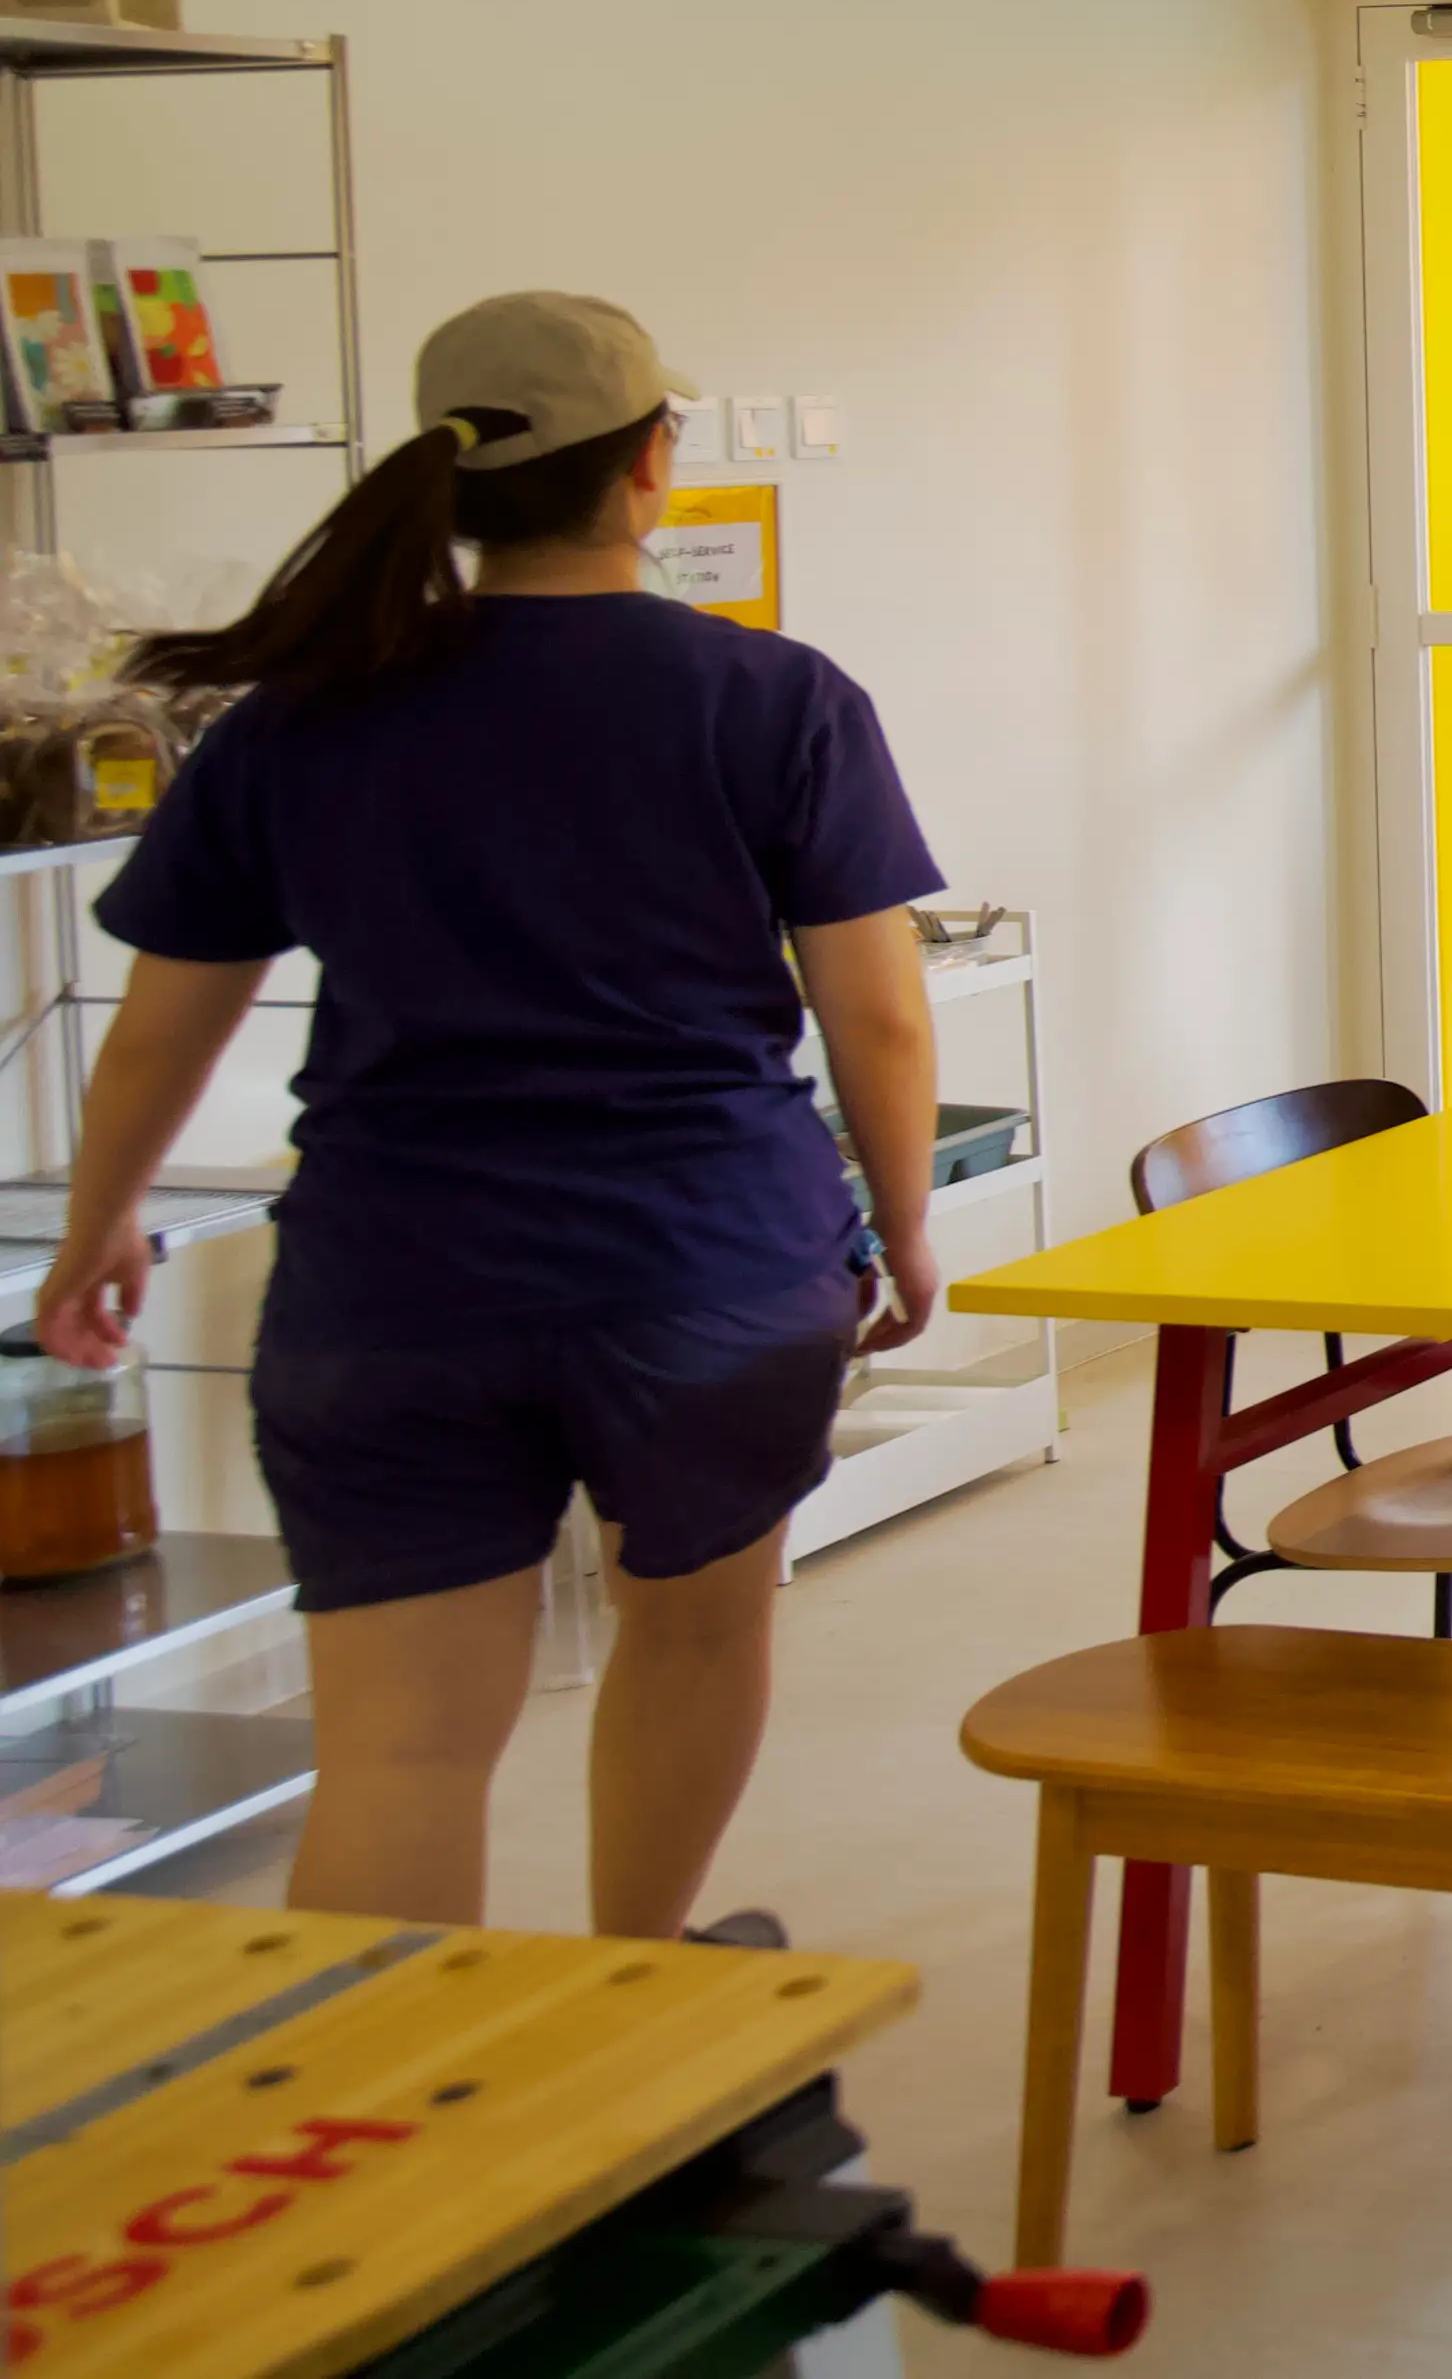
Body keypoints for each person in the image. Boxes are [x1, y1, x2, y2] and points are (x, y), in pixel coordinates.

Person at [32, 294, 945, 1938]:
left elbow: (164, 1029)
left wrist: (103, 1223)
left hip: (392, 1288)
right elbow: (873, 1005)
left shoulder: (300, 715)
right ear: (651, 465)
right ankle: (629, 1982)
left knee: (396, 1752)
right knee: (690, 1636)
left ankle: (389, 2141)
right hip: (706, 1269)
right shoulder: (771, 697)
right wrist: (907, 1217)